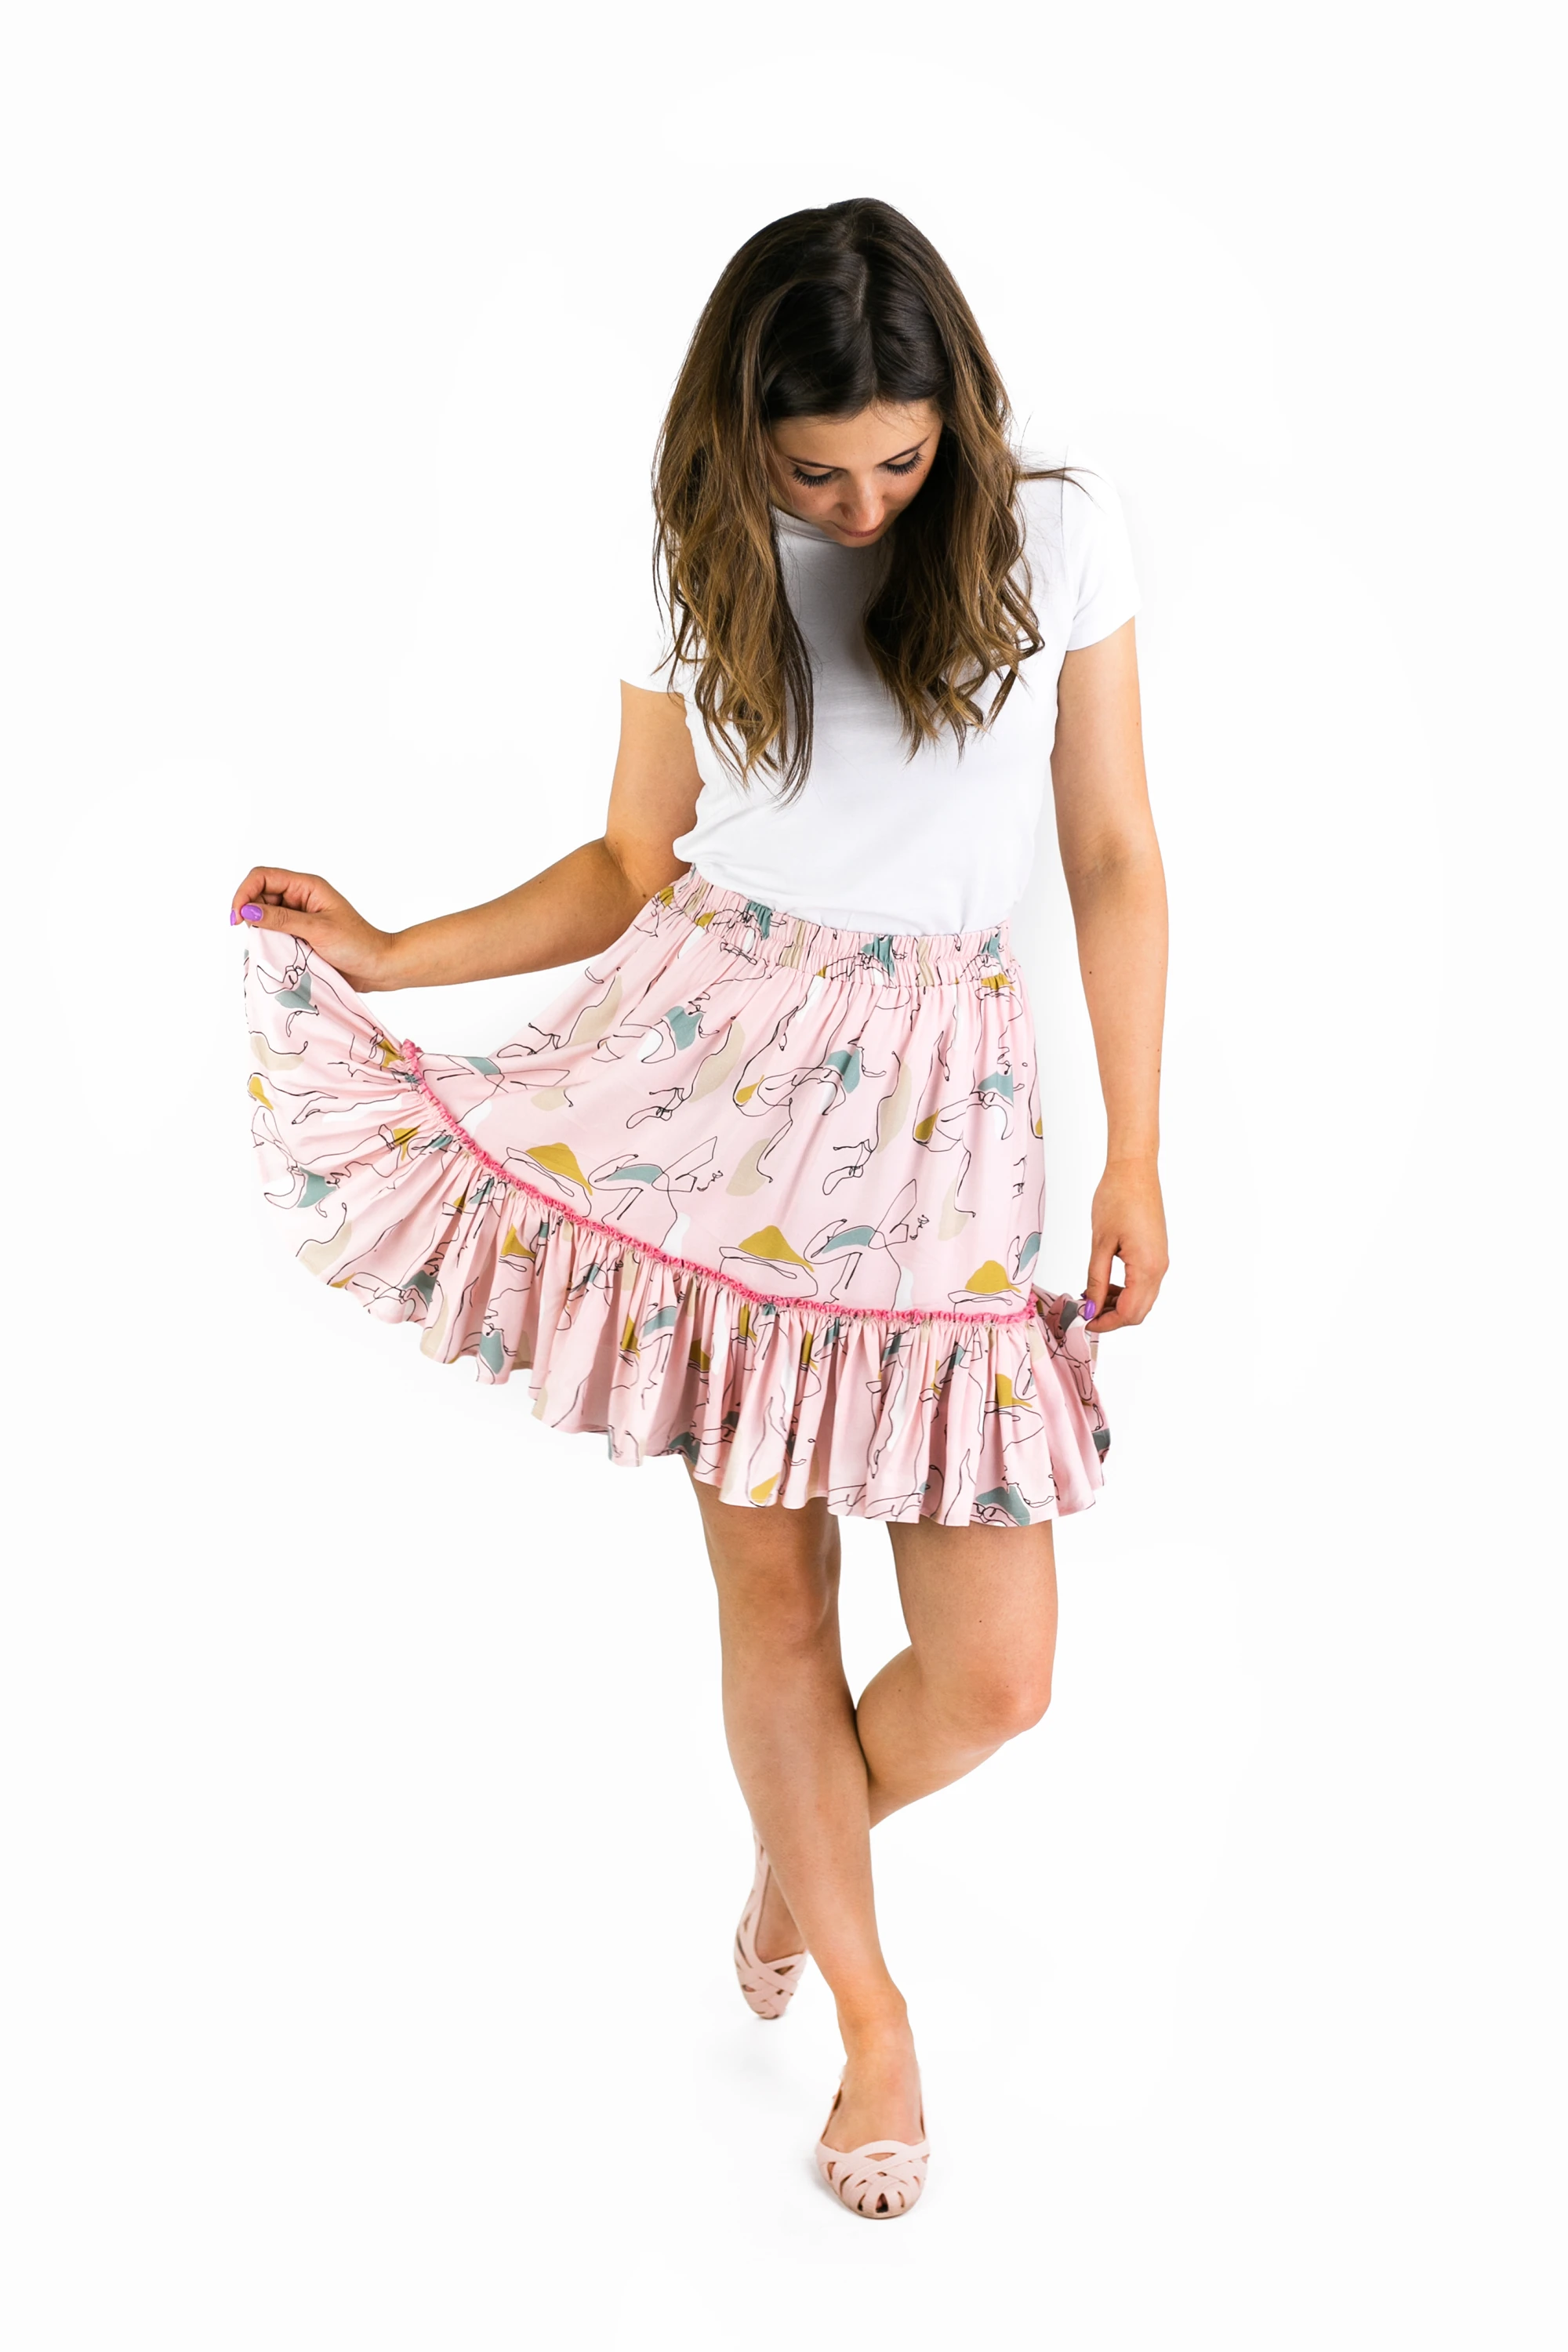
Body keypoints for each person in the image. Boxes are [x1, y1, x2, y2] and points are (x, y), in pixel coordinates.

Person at [231, 198, 1168, 2220]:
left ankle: (800, 1848)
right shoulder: (696, 555)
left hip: (951, 1128)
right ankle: (873, 2022)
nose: (859, 505)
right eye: (813, 471)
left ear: (958, 413)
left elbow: (1109, 852)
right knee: (777, 1602)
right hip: (715, 1099)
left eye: (897, 461)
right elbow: (631, 864)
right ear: (741, 432)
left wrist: (1138, 1151)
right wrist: (393, 954)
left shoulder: (1056, 534)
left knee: (998, 1675)